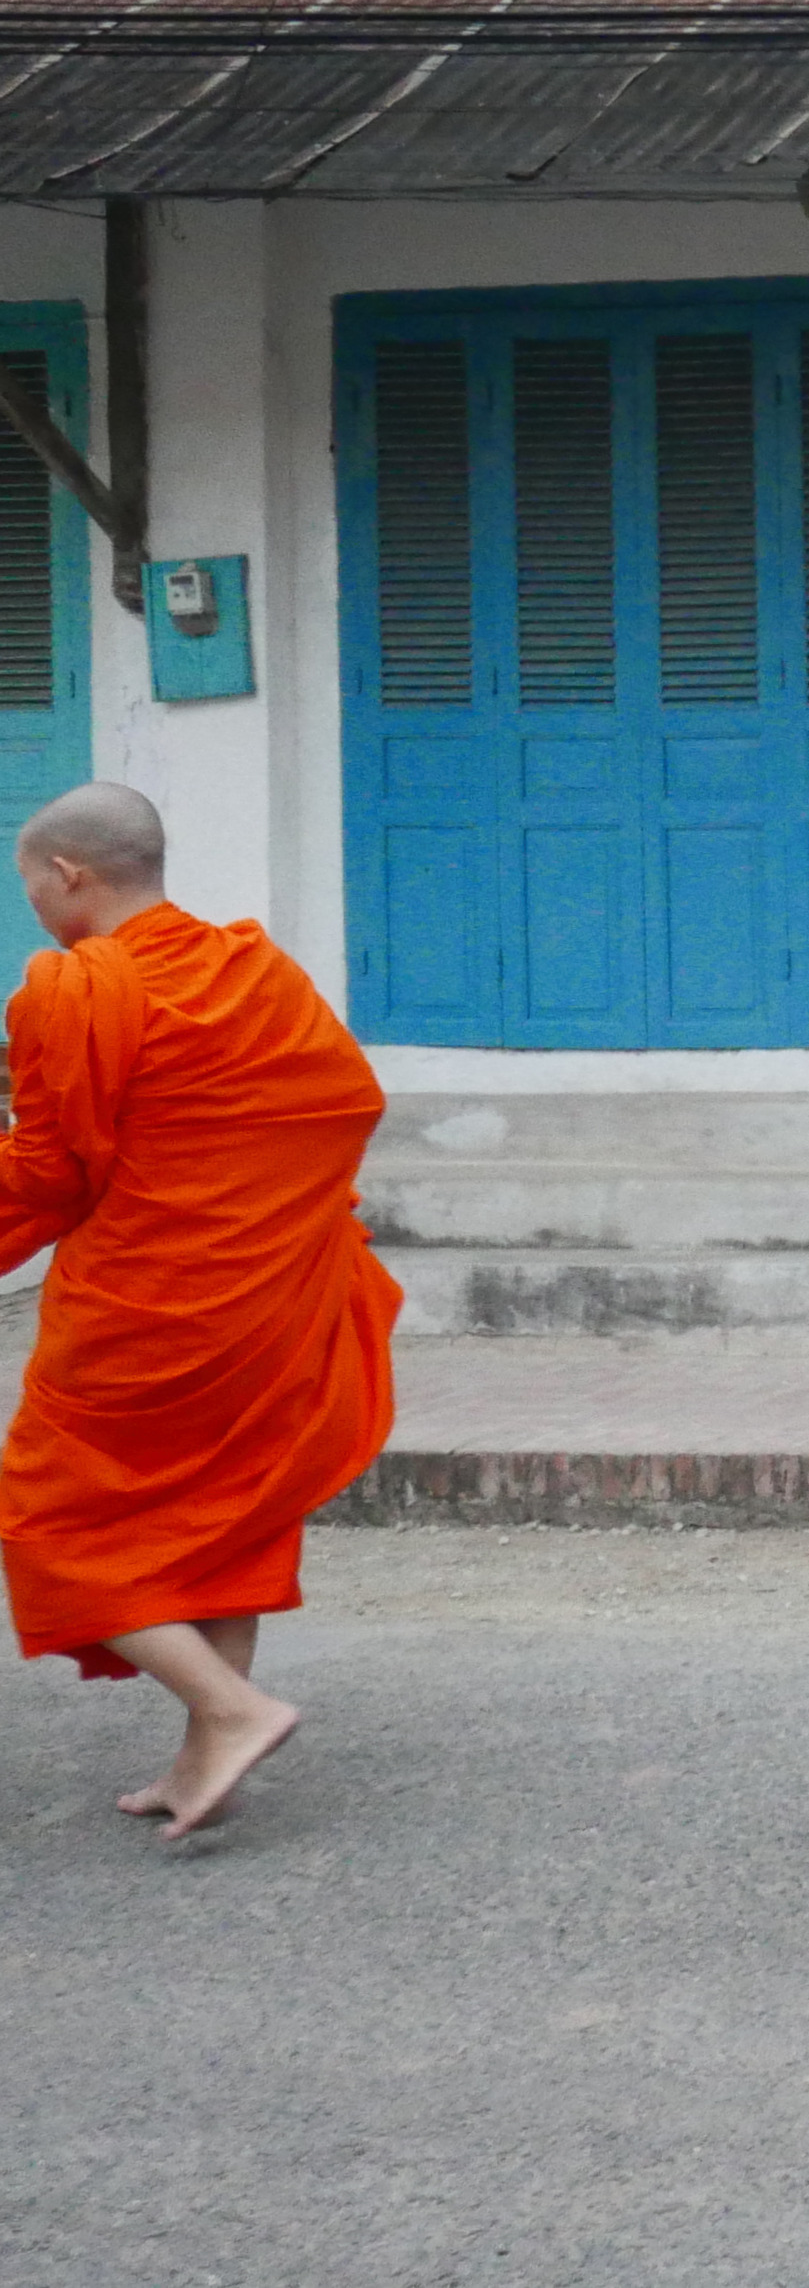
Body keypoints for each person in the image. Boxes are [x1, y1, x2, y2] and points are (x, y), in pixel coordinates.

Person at [0, 782, 398, 1843]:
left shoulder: (68, 993)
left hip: (145, 1307)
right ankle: (204, 1755)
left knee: (48, 1517)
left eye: (28, 879)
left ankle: (233, 1708)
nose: (31, 899)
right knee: (228, 1512)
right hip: (266, 1296)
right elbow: (343, 1102)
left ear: (67, 874)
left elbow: (44, 1175)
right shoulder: (255, 968)